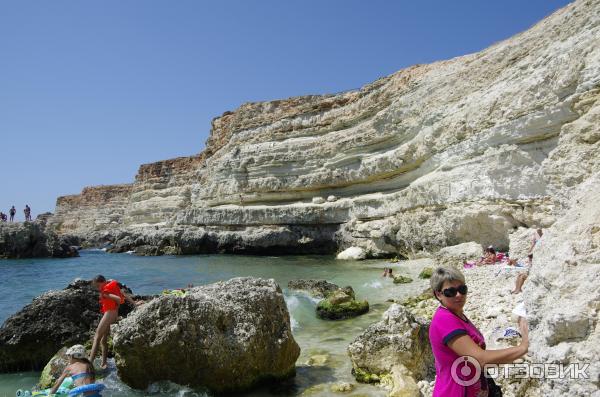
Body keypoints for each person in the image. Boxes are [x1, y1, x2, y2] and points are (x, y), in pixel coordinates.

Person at [429, 267, 529, 396]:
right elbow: (480, 359)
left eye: (462, 289)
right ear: (438, 294)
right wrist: (523, 347)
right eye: (450, 292)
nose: (458, 295)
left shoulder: (457, 315)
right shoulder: (445, 320)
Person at [88, 275, 142, 369]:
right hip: (113, 314)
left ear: (102, 282)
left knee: (97, 337)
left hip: (109, 314)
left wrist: (115, 307)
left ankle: (88, 364)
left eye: (97, 286)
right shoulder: (113, 286)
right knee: (103, 340)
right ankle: (104, 364)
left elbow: (118, 299)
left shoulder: (105, 292)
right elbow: (124, 295)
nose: (97, 288)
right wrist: (135, 304)